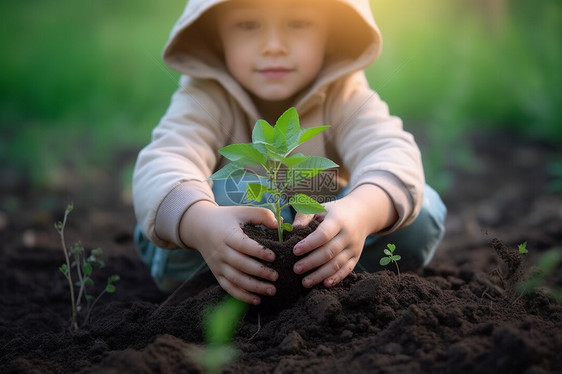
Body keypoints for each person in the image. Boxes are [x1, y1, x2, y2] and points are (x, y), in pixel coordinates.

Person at [133, 0, 447, 305]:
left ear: (331, 32)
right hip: (211, 247)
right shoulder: (206, 93)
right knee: (241, 191)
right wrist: (199, 222)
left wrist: (361, 212)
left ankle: (328, 272)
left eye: (299, 23)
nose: (274, 46)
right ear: (217, 36)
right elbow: (165, 160)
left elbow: (390, 151)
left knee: (420, 209)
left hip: (315, 240)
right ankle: (224, 272)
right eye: (248, 24)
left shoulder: (343, 91)